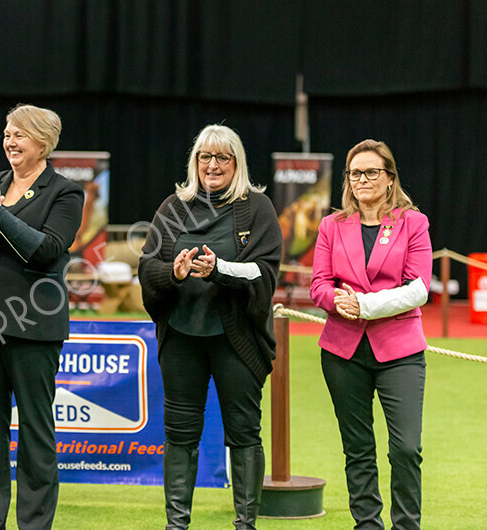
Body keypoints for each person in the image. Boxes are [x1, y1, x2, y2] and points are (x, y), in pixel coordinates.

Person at [0, 104, 84, 530]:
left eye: (19, 134)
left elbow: (47, 250)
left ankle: (34, 524)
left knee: (36, 439)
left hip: (32, 329)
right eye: (7, 134)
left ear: (42, 142)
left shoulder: (66, 192)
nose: (9, 141)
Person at [138, 124, 282, 529]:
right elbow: (148, 267)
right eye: (205, 156)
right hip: (182, 339)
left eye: (222, 157)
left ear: (236, 163)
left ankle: (245, 524)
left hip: (236, 340)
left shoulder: (257, 208)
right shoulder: (173, 207)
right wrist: (175, 272)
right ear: (195, 161)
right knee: (180, 435)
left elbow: (264, 272)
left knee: (244, 433)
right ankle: (176, 524)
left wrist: (218, 269)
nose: (212, 165)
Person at [310, 139, 432, 529]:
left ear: (389, 177)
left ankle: (406, 525)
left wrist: (363, 305)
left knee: (407, 449)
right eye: (355, 173)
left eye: (371, 172)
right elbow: (318, 285)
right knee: (358, 449)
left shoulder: (413, 222)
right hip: (342, 352)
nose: (362, 179)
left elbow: (418, 289)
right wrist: (336, 301)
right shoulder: (331, 225)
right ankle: (367, 525)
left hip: (401, 351)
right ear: (347, 179)